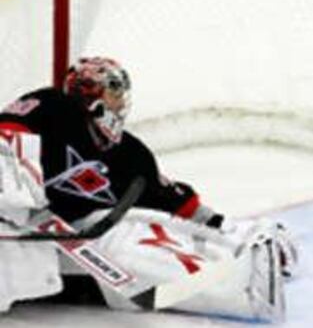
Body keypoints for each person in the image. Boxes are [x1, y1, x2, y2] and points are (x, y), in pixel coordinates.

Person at [0, 56, 297, 321]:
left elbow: (177, 205)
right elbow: (7, 133)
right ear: (94, 99)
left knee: (136, 245)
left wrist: (232, 231)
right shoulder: (53, 107)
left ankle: (243, 275)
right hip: (18, 224)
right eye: (114, 94)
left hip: (76, 240)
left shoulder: (130, 154)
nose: (121, 103)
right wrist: (15, 191)